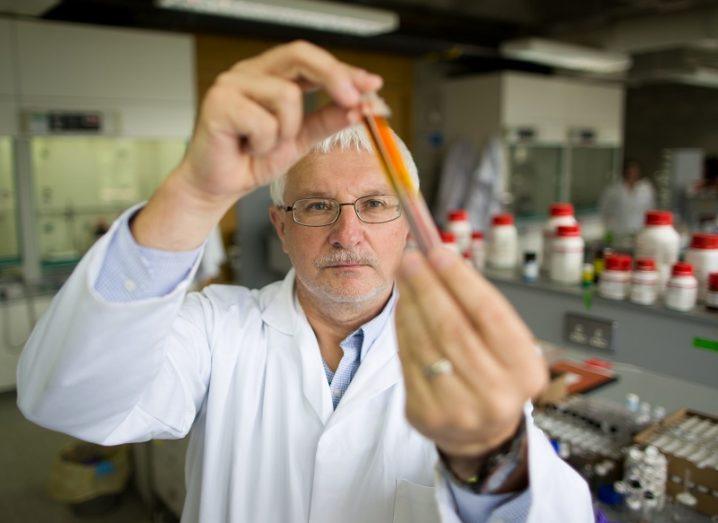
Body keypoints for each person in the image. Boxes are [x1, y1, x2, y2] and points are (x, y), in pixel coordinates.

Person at [17, 41, 592, 522]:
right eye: (317, 206)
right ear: (281, 228)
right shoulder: (217, 327)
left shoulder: (464, 358)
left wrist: (487, 459)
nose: (348, 233)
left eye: (374, 204)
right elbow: (68, 400)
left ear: (409, 226)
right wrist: (194, 193)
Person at [600, 158, 656, 244]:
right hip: (618, 232)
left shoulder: (646, 188)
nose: (632, 173)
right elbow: (604, 209)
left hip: (640, 231)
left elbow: (651, 209)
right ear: (624, 171)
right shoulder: (613, 189)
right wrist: (607, 231)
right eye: (629, 170)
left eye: (634, 170)